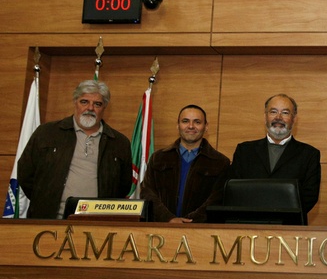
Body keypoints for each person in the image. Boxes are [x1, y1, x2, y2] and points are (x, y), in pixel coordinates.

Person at [17, 79, 132, 219]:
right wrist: (45, 199)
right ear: (75, 102)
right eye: (84, 102)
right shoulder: (47, 133)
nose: (90, 108)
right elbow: (25, 173)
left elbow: (123, 186)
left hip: (98, 223)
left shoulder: (119, 143)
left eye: (97, 104)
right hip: (49, 220)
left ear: (104, 108)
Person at [227, 94, 321, 218]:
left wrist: (280, 215)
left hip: (290, 224)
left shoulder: (309, 154)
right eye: (273, 112)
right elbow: (233, 190)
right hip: (249, 222)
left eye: (285, 113)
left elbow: (310, 196)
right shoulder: (244, 151)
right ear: (265, 117)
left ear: (294, 119)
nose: (278, 117)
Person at [141, 105, 230, 223]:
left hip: (200, 230)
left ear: (206, 126)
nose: (191, 126)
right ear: (178, 125)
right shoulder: (158, 158)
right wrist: (169, 219)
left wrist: (188, 222)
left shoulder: (220, 162)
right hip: (162, 227)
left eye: (197, 122)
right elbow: (148, 193)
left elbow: (216, 199)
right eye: (185, 121)